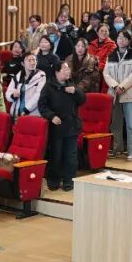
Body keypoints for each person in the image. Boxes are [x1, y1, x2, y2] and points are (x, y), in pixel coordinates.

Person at [38, 61, 86, 191]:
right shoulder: (48, 87)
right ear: (57, 72)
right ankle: (54, 179)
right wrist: (51, 116)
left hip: (71, 126)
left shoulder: (71, 83)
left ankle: (69, 180)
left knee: (71, 156)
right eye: (64, 69)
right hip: (56, 128)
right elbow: (42, 106)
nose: (67, 71)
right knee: (56, 155)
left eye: (68, 69)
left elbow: (82, 100)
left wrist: (75, 91)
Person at [103, 30, 132, 160]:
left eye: (124, 38)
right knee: (115, 124)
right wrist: (115, 86)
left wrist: (122, 86)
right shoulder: (111, 54)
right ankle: (117, 149)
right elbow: (106, 74)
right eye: (119, 37)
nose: (121, 40)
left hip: (129, 92)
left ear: (129, 40)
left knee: (131, 124)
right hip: (114, 93)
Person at [5, 52, 46, 119]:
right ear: (23, 63)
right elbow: (8, 93)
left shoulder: (41, 76)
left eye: (34, 60)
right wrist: (12, 96)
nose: (32, 63)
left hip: (32, 114)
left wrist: (26, 110)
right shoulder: (17, 77)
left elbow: (38, 95)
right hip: (16, 113)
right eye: (29, 60)